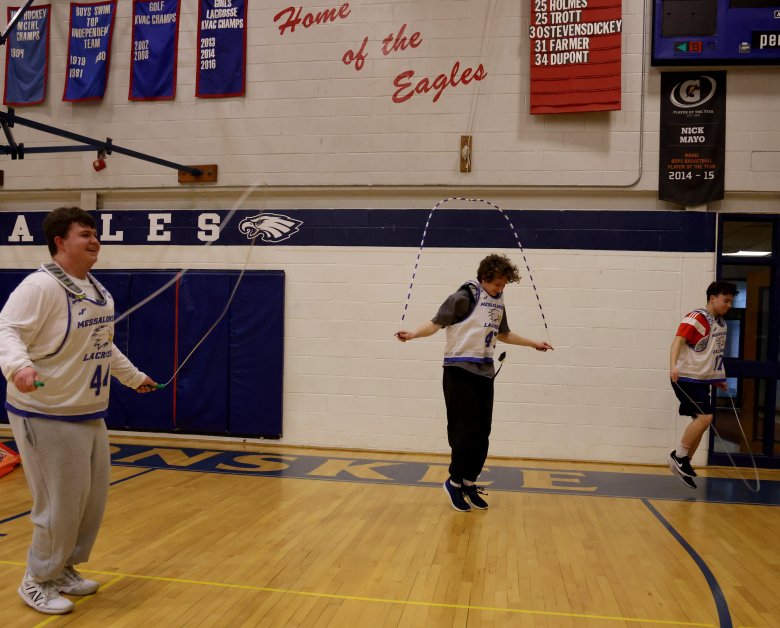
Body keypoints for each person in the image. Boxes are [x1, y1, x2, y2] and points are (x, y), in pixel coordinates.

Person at [0, 207, 157, 615]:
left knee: (89, 503)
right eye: (85, 234)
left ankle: (62, 569)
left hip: (88, 411)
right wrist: (19, 366)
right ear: (60, 242)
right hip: (45, 412)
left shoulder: (96, 289)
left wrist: (133, 377)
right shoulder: (40, 286)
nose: (94, 240)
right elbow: (7, 329)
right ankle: (36, 580)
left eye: (95, 234)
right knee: (59, 505)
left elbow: (102, 344)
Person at [396, 254, 553, 512]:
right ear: (484, 278)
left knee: (482, 433)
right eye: (497, 284)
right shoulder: (463, 297)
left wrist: (533, 343)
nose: (500, 288)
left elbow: (503, 334)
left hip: (484, 372)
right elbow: (435, 324)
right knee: (464, 431)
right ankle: (454, 482)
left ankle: (469, 482)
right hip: (459, 370)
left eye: (504, 284)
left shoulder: (498, 302)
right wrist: (413, 334)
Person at [668, 280, 737, 489]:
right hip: (685, 378)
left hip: (701, 380)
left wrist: (719, 378)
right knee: (706, 416)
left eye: (731, 302)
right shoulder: (696, 317)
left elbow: (714, 354)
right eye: (726, 300)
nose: (729, 305)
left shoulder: (721, 324)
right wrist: (673, 366)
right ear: (712, 298)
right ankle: (678, 456)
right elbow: (678, 341)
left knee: (702, 421)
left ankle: (684, 462)